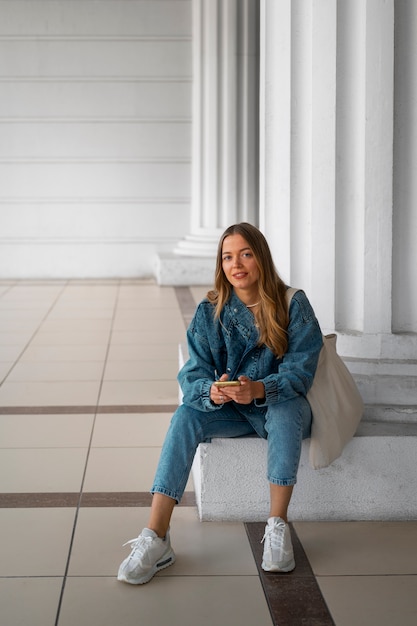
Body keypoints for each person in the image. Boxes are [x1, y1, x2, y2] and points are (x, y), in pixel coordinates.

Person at [117, 222, 323, 585]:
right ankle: (156, 535)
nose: (236, 264)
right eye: (228, 257)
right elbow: (192, 373)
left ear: (261, 257)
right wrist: (210, 391)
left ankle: (277, 527)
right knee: (186, 415)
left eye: (245, 254)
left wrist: (259, 388)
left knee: (285, 407)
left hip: (283, 409)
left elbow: (301, 372)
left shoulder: (293, 304)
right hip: (234, 410)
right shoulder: (211, 310)